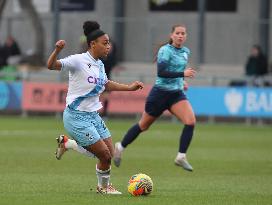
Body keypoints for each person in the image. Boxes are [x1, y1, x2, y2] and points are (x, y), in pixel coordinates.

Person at [47, 20, 144, 194]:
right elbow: (51, 65)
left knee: (110, 154)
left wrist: (129, 87)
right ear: (93, 44)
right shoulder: (78, 60)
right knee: (104, 155)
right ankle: (104, 188)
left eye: (109, 43)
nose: (109, 47)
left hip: (93, 116)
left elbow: (105, 84)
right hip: (76, 116)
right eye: (105, 43)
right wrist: (57, 50)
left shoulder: (99, 64)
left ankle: (67, 144)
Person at [113, 24, 197, 172]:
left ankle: (181, 156)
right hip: (159, 95)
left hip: (176, 94)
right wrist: (182, 74)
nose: (180, 36)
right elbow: (162, 72)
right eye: (177, 33)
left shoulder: (185, 52)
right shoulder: (165, 51)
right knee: (143, 126)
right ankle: (120, 146)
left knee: (190, 121)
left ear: (186, 36)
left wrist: (181, 82)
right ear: (172, 35)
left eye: (183, 33)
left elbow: (175, 71)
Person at [100, 40, 118, 117]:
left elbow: (114, 66)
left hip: (106, 80)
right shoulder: (100, 56)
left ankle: (104, 114)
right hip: (96, 80)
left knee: (106, 97)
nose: (109, 47)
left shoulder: (112, 58)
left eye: (110, 46)